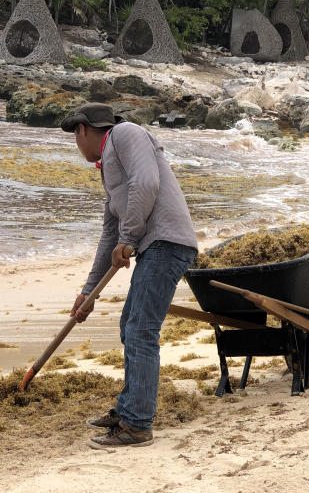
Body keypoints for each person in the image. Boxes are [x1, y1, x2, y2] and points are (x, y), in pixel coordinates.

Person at [60, 103, 198, 449]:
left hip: (167, 243)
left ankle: (137, 425)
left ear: (84, 130)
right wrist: (88, 293)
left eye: (75, 135)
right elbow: (111, 232)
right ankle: (128, 409)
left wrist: (129, 238)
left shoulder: (125, 134)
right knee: (131, 327)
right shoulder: (109, 166)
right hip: (154, 246)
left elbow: (147, 183)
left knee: (140, 331)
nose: (77, 144)